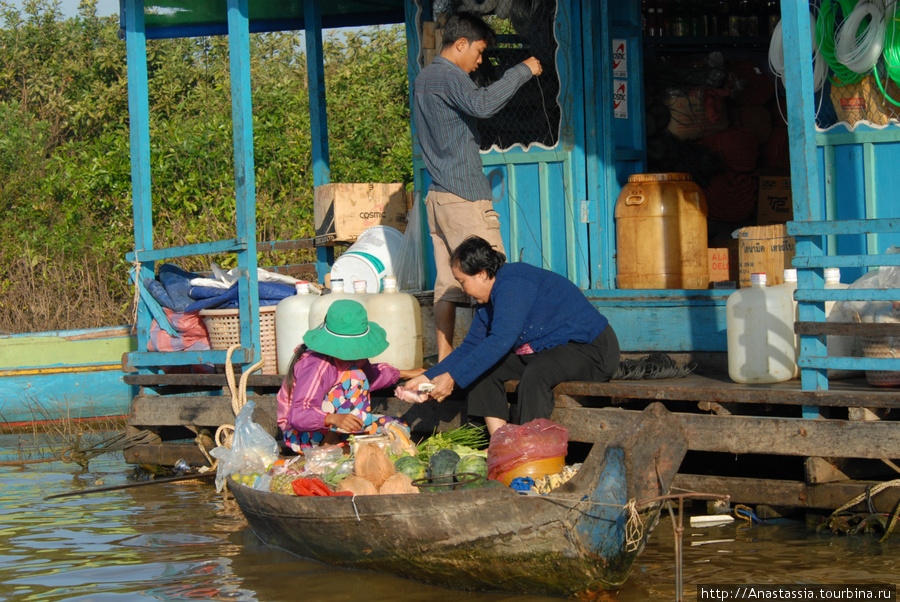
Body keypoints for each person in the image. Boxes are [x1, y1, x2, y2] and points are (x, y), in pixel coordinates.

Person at [413, 12, 542, 362]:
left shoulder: (424, 78)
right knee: (491, 278)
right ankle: (496, 358)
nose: (479, 61)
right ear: (461, 44)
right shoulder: (448, 74)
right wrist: (523, 70)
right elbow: (482, 104)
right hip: (464, 196)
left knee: (448, 284)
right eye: (480, 51)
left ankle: (444, 361)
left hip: (437, 196)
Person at [402, 236, 620, 435]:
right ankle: (502, 442)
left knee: (537, 373)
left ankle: (531, 448)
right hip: (548, 350)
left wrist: (452, 378)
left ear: (482, 274)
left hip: (591, 350)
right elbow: (470, 348)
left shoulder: (513, 283)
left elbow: (501, 340)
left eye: (462, 281)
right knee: (482, 369)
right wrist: (427, 377)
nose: (463, 289)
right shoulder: (486, 302)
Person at [276, 299, 420, 451]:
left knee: (397, 427)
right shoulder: (316, 365)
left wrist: (407, 374)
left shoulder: (356, 359)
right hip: (304, 434)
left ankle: (343, 441)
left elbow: (372, 376)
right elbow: (299, 414)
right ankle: (331, 442)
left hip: (342, 425)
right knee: (355, 377)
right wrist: (332, 419)